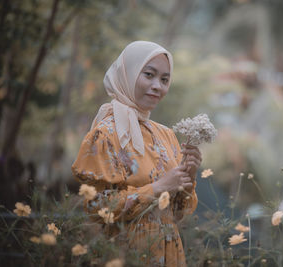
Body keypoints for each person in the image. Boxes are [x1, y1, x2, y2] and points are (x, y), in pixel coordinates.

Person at [71, 41, 201, 266]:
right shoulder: (105, 135)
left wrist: (189, 176)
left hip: (170, 254)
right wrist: (158, 187)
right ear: (127, 74)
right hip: (126, 254)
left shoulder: (166, 135)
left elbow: (177, 213)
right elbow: (98, 208)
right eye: (149, 75)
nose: (157, 86)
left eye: (164, 79)